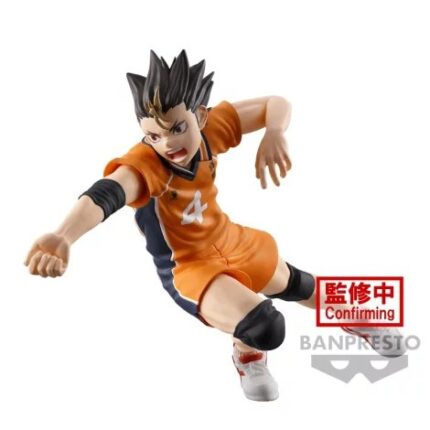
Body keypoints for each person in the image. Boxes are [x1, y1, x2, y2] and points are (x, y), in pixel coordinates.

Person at [24, 50, 404, 402]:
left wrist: (275, 131)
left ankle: (356, 318)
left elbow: (275, 103)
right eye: (154, 135)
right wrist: (62, 235)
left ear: (200, 117)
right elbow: (106, 193)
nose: (167, 143)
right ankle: (247, 355)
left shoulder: (209, 131)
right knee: (265, 327)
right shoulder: (146, 164)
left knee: (298, 284)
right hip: (189, 265)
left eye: (177, 128)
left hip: (228, 237)